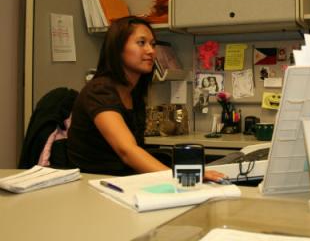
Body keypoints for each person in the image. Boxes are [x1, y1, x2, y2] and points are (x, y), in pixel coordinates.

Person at [67, 16, 223, 181]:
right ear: (118, 49)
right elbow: (127, 150)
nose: (151, 51)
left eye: (152, 44)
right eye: (141, 43)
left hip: (125, 181)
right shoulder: (98, 91)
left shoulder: (133, 93)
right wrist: (180, 177)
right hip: (96, 186)